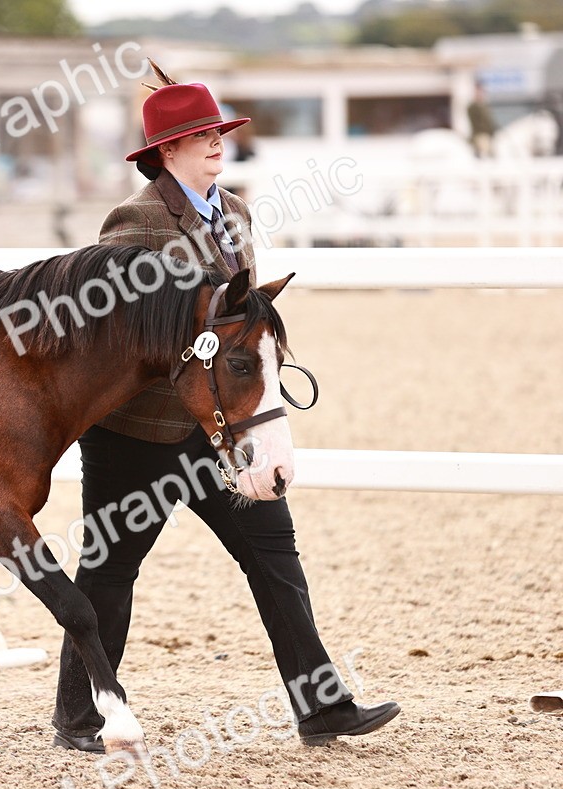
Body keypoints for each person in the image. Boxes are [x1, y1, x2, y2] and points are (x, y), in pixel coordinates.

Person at [50, 67, 400, 752]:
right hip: (138, 430)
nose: (216, 144)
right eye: (200, 136)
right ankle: (78, 718)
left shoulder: (235, 212)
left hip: (217, 429)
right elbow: (115, 325)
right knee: (111, 570)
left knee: (272, 550)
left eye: (217, 133)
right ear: (166, 151)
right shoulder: (137, 221)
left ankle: (321, 705)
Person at [467, 82, 498, 160]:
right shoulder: (473, 106)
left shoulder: (484, 106)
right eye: (478, 91)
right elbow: (477, 123)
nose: (480, 94)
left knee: (492, 154)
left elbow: (489, 121)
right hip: (480, 134)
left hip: (488, 134)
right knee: (485, 155)